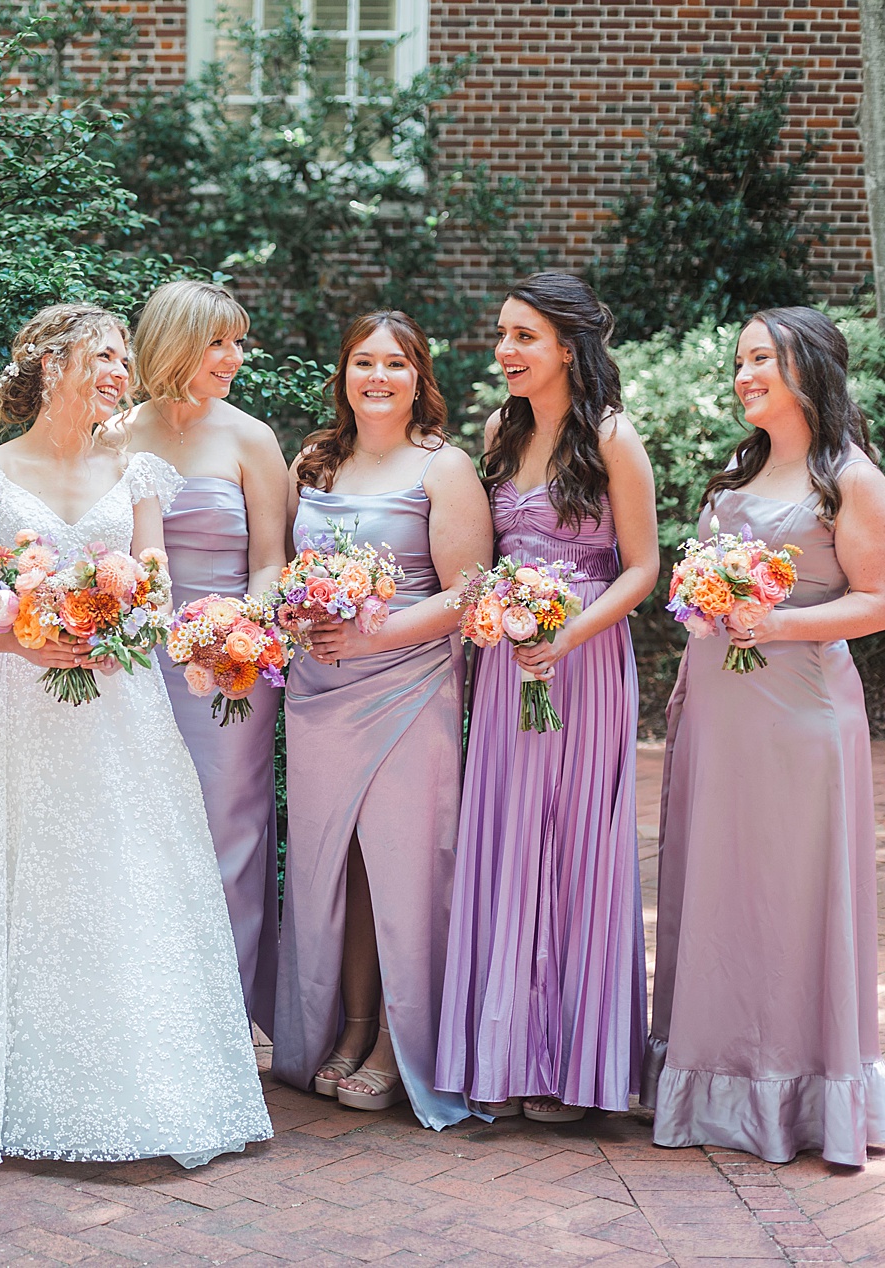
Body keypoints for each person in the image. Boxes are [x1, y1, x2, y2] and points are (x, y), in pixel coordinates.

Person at [0, 303, 272, 1181]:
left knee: (114, 883)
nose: (122, 373)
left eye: (126, 358)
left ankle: (139, 1090)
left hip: (116, 709)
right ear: (53, 365)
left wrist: (106, 625)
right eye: (106, 356)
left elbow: (157, 593)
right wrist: (24, 638)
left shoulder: (139, 474)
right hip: (7, 707)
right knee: (9, 885)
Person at [647, 308, 885, 1165]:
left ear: (809, 369)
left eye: (762, 358)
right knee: (719, 889)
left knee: (794, 897)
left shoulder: (850, 479)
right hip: (721, 712)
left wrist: (774, 622)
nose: (744, 373)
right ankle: (711, 1081)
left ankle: (798, 1094)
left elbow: (879, 603)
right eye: (740, 359)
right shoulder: (736, 472)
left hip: (800, 719)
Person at [436, 272, 658, 1123]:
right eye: (502, 334)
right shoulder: (499, 429)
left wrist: (564, 634)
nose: (504, 350)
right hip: (505, 668)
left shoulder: (612, 439)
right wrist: (500, 617)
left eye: (523, 336)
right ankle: (509, 1052)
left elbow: (643, 567)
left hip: (585, 662)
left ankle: (572, 1063)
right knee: (507, 838)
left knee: (571, 846)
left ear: (568, 345)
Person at [272, 311, 491, 1129]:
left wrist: (371, 634)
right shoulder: (314, 460)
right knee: (339, 870)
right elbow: (293, 575)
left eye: (395, 364)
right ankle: (352, 1026)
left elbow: (467, 592)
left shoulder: (445, 469)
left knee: (405, 867)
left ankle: (405, 1047)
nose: (377, 377)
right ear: (343, 371)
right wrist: (303, 621)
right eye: (363, 361)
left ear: (418, 377)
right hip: (321, 692)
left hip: (409, 686)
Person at [122, 280, 289, 1032]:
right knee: (140, 830)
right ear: (177, 345)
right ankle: (147, 1017)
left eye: (238, 342)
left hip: (229, 669)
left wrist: (241, 625)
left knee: (230, 830)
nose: (234, 357)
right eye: (218, 342)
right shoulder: (119, 433)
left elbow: (270, 559)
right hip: (136, 664)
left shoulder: (250, 437)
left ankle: (218, 1022)